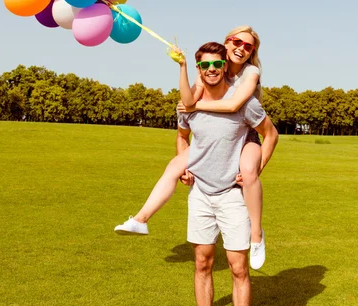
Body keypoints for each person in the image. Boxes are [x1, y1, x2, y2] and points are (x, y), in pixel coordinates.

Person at [114, 26, 267, 269]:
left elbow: (233, 105)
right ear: (227, 43)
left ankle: (257, 236)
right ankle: (141, 219)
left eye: (249, 46)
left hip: (246, 131)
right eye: (237, 42)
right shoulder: (212, 64)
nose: (242, 48)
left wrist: (198, 107)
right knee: (175, 165)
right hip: (216, 133)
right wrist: (183, 66)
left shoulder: (251, 72)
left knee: (248, 173)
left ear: (252, 52)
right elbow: (188, 101)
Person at [175, 42, 278, 306]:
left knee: (238, 268)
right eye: (205, 65)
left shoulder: (243, 103)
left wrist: (252, 173)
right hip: (201, 195)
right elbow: (181, 136)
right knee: (202, 262)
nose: (212, 69)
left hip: (233, 198)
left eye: (217, 63)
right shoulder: (188, 105)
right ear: (198, 68)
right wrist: (184, 165)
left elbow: (270, 133)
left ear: (223, 66)